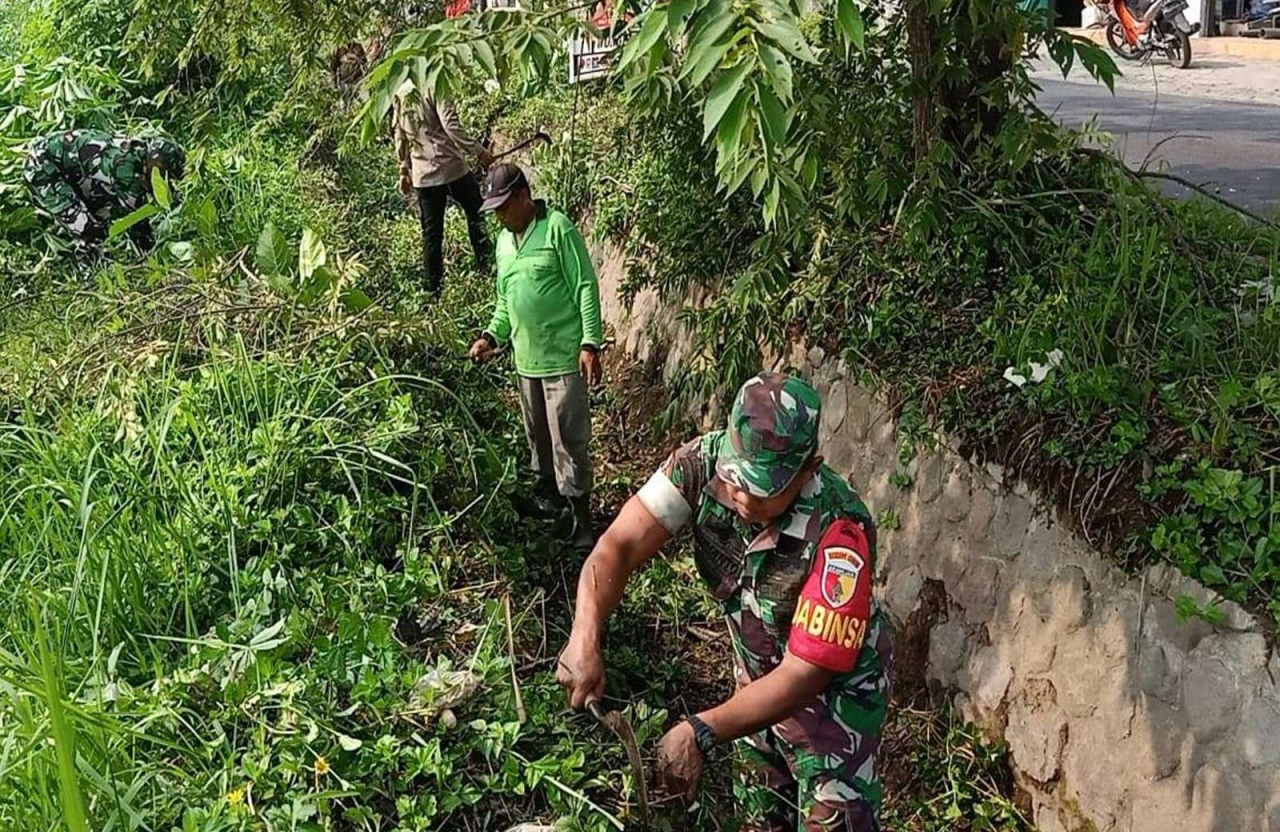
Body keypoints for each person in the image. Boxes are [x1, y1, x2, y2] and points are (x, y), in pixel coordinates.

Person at [556, 373, 893, 831]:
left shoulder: (839, 532)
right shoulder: (701, 463)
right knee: (759, 821)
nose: (741, 495)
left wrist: (700, 729)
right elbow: (618, 547)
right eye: (736, 476)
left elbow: (807, 671)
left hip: (833, 715)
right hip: (754, 691)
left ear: (807, 471)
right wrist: (585, 635)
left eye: (762, 486)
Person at [469, 164, 604, 552]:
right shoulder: (503, 244)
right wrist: (490, 336)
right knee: (539, 441)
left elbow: (584, 285)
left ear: (524, 196)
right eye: (493, 209)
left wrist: (590, 344)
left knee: (568, 441)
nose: (499, 215)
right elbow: (504, 302)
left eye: (503, 206)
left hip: (563, 359)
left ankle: (582, 522)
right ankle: (553, 511)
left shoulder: (558, 229)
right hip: (526, 363)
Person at [394, 89, 495, 295]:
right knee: (476, 210)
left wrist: (404, 168)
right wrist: (480, 151)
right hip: (451, 167)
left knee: (432, 235)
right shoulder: (435, 81)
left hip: (424, 175)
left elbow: (400, 133)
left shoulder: (400, 88)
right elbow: (451, 125)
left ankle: (433, 293)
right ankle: (487, 265)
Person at [23, 130, 184, 250]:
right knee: (88, 229)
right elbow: (135, 217)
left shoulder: (137, 155)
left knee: (101, 214)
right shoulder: (125, 167)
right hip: (45, 168)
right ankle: (89, 275)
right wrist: (150, 248)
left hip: (75, 173)